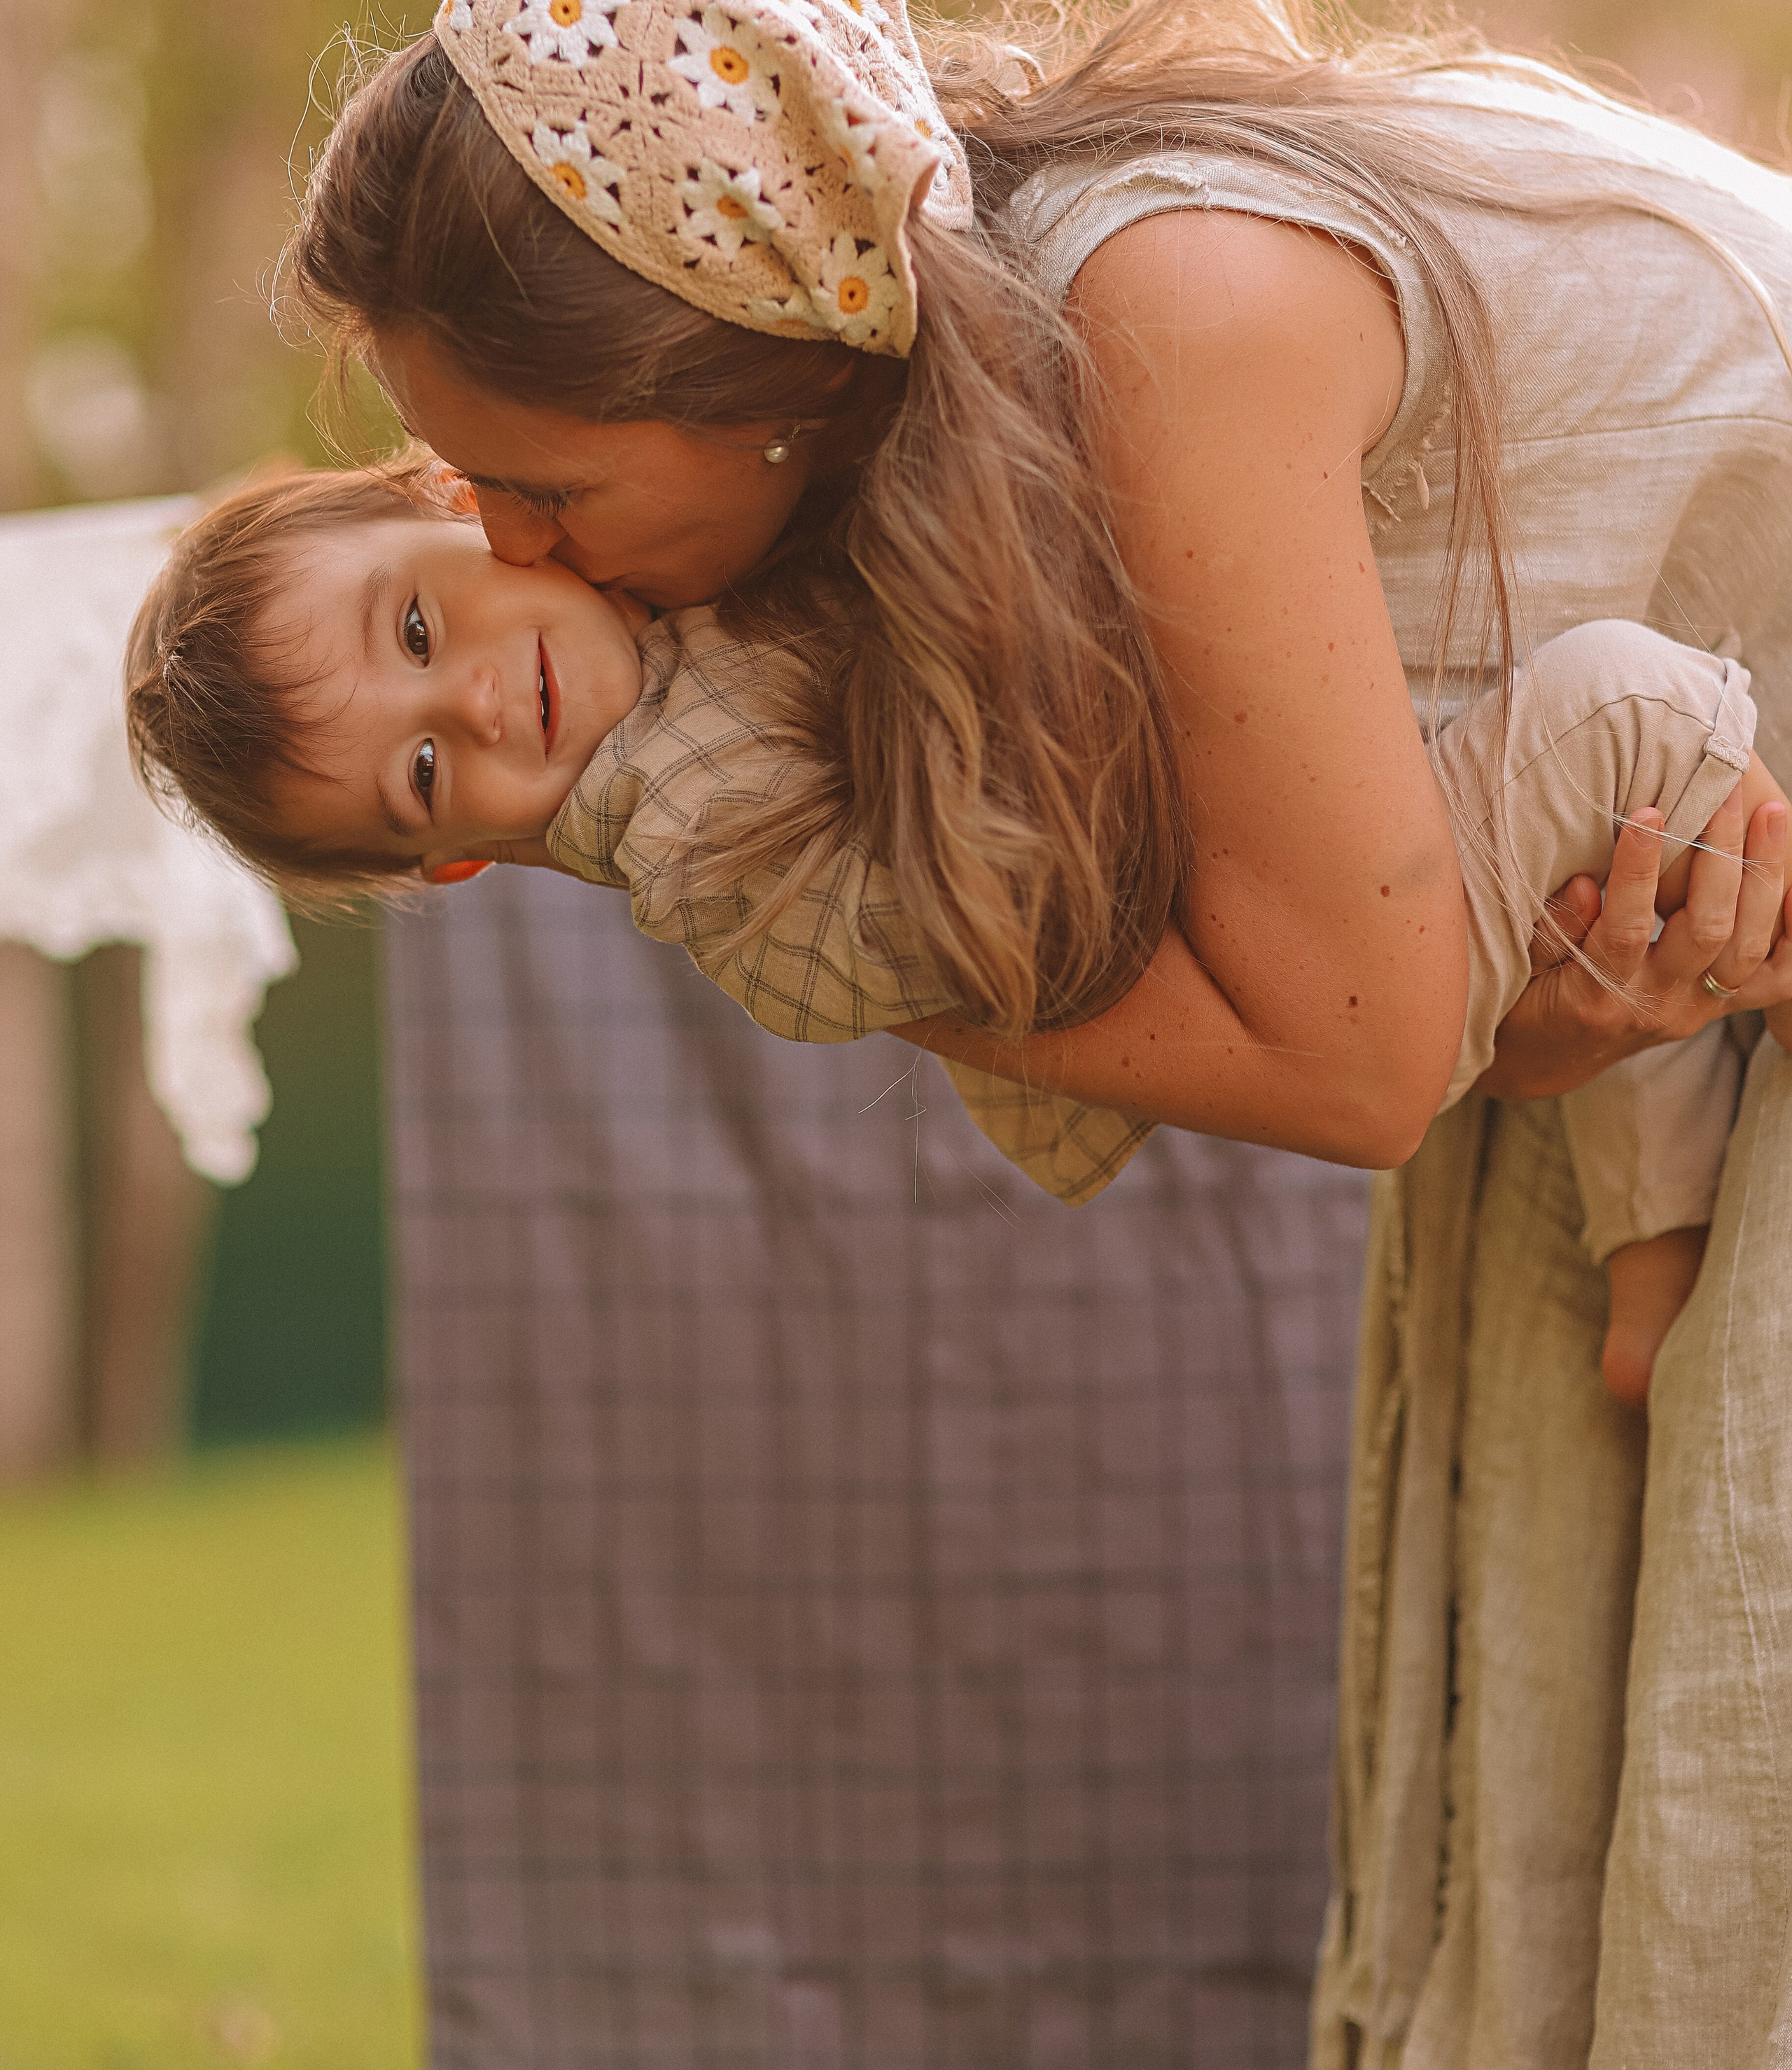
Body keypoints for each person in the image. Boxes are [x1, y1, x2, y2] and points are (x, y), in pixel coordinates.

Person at [263, 0, 1792, 2070]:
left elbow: (1361, 1059)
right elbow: (1433, 1010)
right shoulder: (950, 445)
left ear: (754, 349)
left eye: (547, 486)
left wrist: (758, 913)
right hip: (1695, 925)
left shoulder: (1164, 308)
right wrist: (1546, 1016)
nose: (516, 545)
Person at [127, 443, 1778, 1400]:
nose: (480, 702)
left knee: (1593, 872)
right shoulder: (711, 841)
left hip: (1287, 848)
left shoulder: (686, 566)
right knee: (1617, 707)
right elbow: (960, 924)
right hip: (1275, 967)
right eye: (424, 771)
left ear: (457, 491)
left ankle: (1646, 1251)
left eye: (419, 622)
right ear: (456, 861)